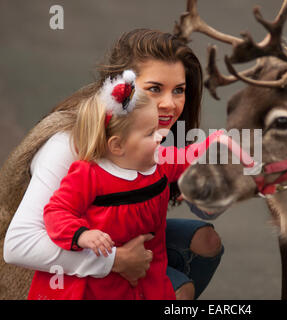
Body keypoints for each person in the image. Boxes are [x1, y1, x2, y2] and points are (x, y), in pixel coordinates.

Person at [2, 29, 224, 300]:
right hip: (56, 268)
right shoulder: (69, 143)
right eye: (155, 89)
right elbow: (17, 245)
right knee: (179, 291)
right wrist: (116, 261)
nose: (170, 104)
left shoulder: (154, 129)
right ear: (121, 89)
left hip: (123, 237)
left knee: (205, 241)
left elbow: (204, 207)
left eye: (179, 90)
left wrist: (225, 181)